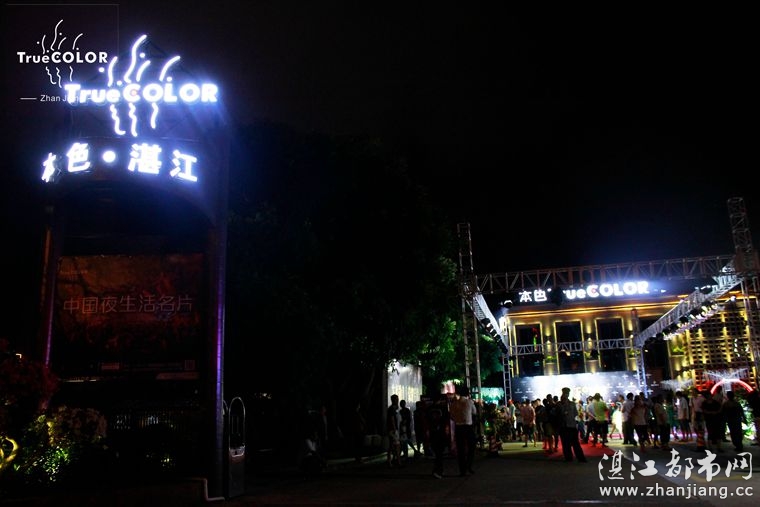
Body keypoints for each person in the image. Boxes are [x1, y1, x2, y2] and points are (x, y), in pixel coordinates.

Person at [450, 385, 477, 476]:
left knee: (460, 449)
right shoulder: (470, 402)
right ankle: (468, 465)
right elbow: (474, 412)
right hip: (468, 427)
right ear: (468, 394)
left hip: (458, 427)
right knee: (472, 447)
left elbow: (452, 416)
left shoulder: (454, 404)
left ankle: (462, 470)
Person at [558, 387, 587, 462]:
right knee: (566, 443)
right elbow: (557, 415)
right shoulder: (559, 404)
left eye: (567, 393)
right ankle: (569, 458)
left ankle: (580, 458)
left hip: (572, 425)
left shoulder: (572, 404)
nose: (566, 394)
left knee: (575, 443)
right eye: (565, 393)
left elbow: (575, 414)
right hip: (563, 426)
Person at [427, 396, 447, 479]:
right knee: (440, 453)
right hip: (440, 433)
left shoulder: (429, 409)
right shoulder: (443, 408)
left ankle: (439, 470)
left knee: (437, 453)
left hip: (433, 433)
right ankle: (438, 471)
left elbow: (427, 421)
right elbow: (446, 420)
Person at [386, 394, 401, 467]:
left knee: (392, 445)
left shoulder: (392, 408)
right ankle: (397, 462)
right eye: (396, 399)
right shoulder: (392, 409)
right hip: (393, 430)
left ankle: (392, 461)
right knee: (395, 445)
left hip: (392, 429)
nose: (397, 400)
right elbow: (392, 419)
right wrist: (395, 429)